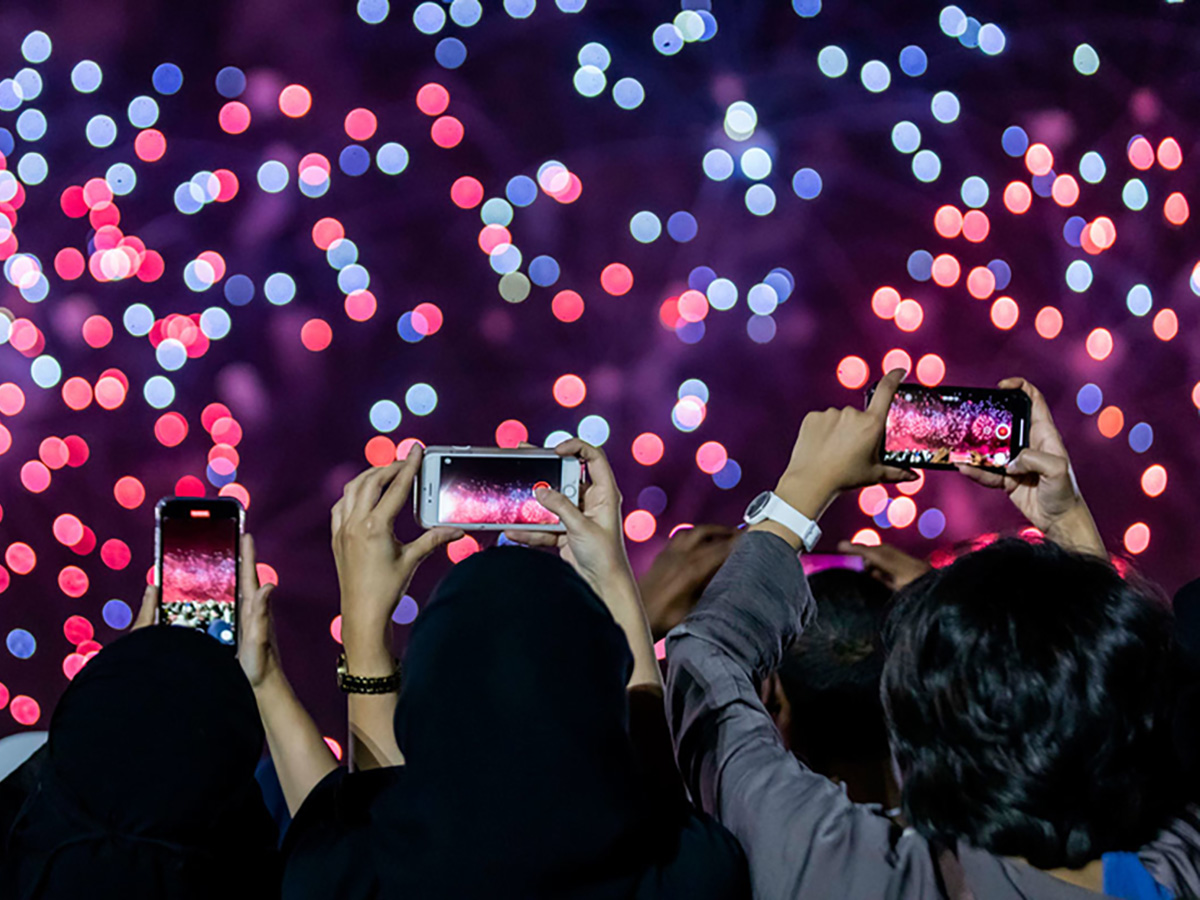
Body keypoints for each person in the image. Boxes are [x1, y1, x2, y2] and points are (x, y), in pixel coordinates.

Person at [666, 371, 1200, 899]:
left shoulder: (853, 873)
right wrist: (1069, 523)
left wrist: (802, 487)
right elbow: (1129, 697)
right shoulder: (1179, 867)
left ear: (915, 750)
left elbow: (705, 676)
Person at [256, 441, 750, 898]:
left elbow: (371, 821)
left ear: (420, 710)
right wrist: (611, 575)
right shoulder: (697, 874)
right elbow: (660, 806)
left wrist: (362, 633)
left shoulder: (343, 878)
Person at [0, 597, 280, 899]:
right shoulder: (258, 865)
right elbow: (326, 855)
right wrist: (266, 681)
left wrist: (126, 681)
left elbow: (59, 782)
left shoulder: (32, 856)